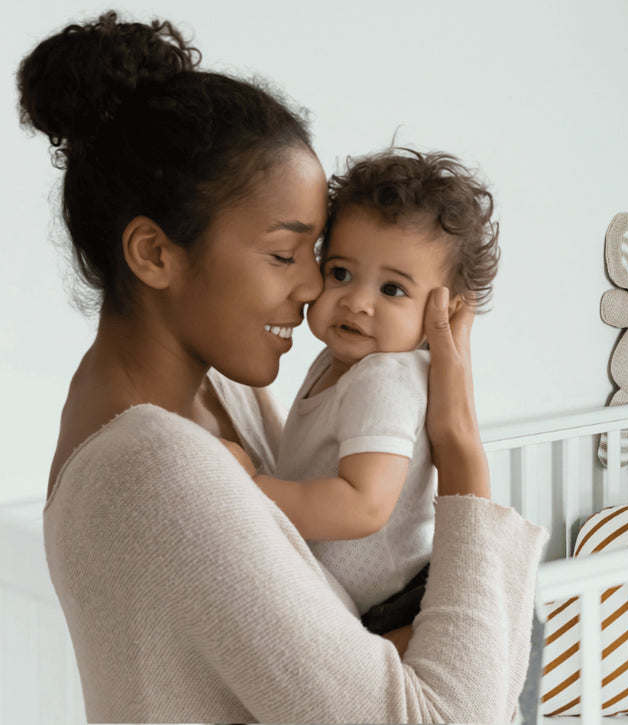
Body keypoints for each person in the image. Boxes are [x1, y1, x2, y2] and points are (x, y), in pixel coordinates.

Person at [22, 11, 545, 723]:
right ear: (154, 254)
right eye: (284, 254)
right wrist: (458, 446)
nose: (311, 290)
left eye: (313, 255)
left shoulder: (216, 392)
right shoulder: (157, 467)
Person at [232, 148, 499, 636]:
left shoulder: (385, 378)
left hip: (402, 606)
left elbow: (363, 506)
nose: (355, 301)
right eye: (340, 273)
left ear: (444, 310)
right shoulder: (340, 360)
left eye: (392, 290)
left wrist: (252, 490)